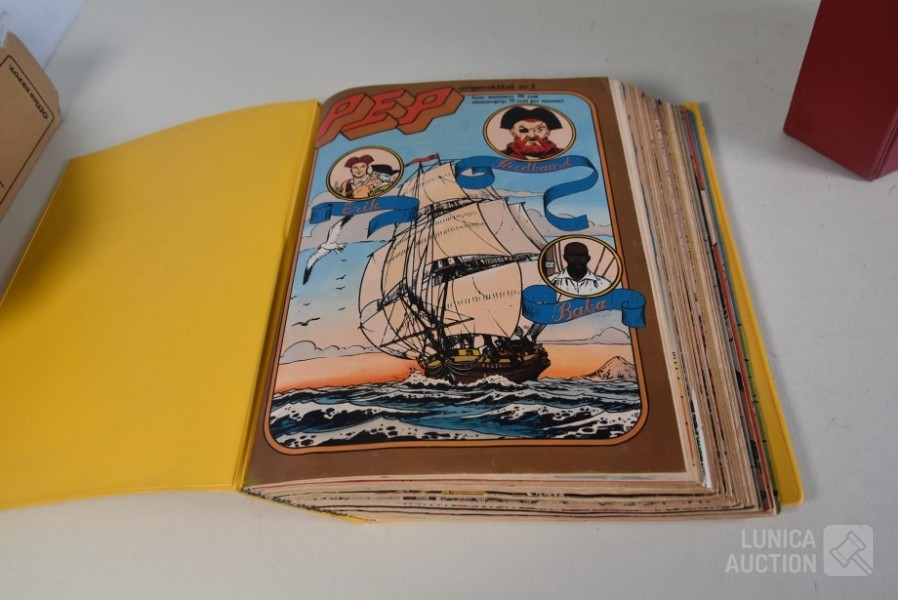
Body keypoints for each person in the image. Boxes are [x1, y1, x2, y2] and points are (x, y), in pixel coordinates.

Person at [499, 106, 564, 160]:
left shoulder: (562, 154)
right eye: (523, 130)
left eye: (540, 129)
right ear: (512, 132)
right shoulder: (501, 155)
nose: (532, 135)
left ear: (548, 132)